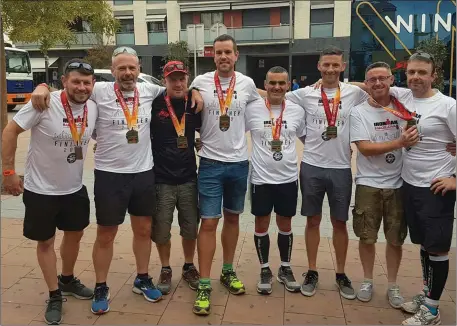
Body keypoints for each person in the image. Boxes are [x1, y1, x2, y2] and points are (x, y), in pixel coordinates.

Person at [31, 46, 203, 315]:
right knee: (106, 234)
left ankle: (142, 278)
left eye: (132, 68)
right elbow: (67, 91)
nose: (127, 73)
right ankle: (101, 285)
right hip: (110, 175)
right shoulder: (98, 92)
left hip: (144, 172)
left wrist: (196, 91)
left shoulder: (150, 91)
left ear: (139, 70)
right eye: (121, 68)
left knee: (144, 230)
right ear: (112, 71)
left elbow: (177, 89)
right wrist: (41, 86)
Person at [2, 59, 97, 325]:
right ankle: (54, 294)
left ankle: (66, 279)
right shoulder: (44, 102)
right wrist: (8, 172)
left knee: (75, 235)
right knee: (45, 242)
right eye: (75, 81)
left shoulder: (93, 107)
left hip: (74, 188)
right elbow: (10, 131)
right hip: (40, 189)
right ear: (64, 81)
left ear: (93, 85)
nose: (81, 87)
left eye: (86, 82)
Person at [283, 46, 373, 300]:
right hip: (312, 166)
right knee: (312, 220)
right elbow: (273, 95)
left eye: (336, 65)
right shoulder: (304, 94)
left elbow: (376, 90)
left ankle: (341, 273)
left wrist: (353, 82)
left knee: (339, 222)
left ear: (343, 67)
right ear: (319, 66)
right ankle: (312, 271)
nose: (331, 69)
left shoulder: (354, 93)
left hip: (342, 168)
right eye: (326, 65)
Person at [190, 34, 261, 315]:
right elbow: (186, 98)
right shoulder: (200, 82)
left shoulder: (248, 84)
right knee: (208, 223)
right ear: (213, 56)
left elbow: (263, 98)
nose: (223, 57)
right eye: (218, 52)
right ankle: (204, 282)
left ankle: (228, 270)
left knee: (232, 218)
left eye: (227, 52)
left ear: (236, 54)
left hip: (239, 163)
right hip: (209, 163)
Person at [350, 61, 419, 308]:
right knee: (367, 237)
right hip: (368, 183)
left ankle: (392, 284)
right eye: (372, 80)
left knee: (395, 239)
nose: (378, 83)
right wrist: (399, 143)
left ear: (392, 80)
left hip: (399, 184)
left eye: (383, 78)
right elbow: (365, 149)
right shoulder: (358, 112)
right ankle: (367, 280)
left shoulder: (405, 104)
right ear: (366, 84)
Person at [399, 52, 456, 325]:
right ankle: (427, 294)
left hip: (437, 187)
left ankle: (432, 310)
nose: (416, 78)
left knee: (437, 249)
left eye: (422, 73)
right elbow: (374, 82)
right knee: (424, 244)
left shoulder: (448, 105)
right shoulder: (404, 97)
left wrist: (455, 180)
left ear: (434, 76)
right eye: (411, 72)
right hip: (410, 184)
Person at [245, 66, 305, 295]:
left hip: (288, 177)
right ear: (265, 84)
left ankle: (285, 268)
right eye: (273, 83)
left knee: (285, 225)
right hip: (260, 178)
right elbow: (234, 133)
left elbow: (308, 138)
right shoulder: (252, 109)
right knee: (261, 224)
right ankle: (264, 269)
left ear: (288, 85)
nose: (277, 87)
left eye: (282, 83)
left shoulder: (297, 111)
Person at [150, 61, 201, 294]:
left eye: (182, 78)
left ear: (188, 79)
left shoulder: (195, 103)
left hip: (189, 177)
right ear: (165, 81)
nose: (178, 83)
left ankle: (189, 266)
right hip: (161, 178)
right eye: (173, 79)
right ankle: (166, 267)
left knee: (190, 227)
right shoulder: (154, 103)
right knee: (161, 228)